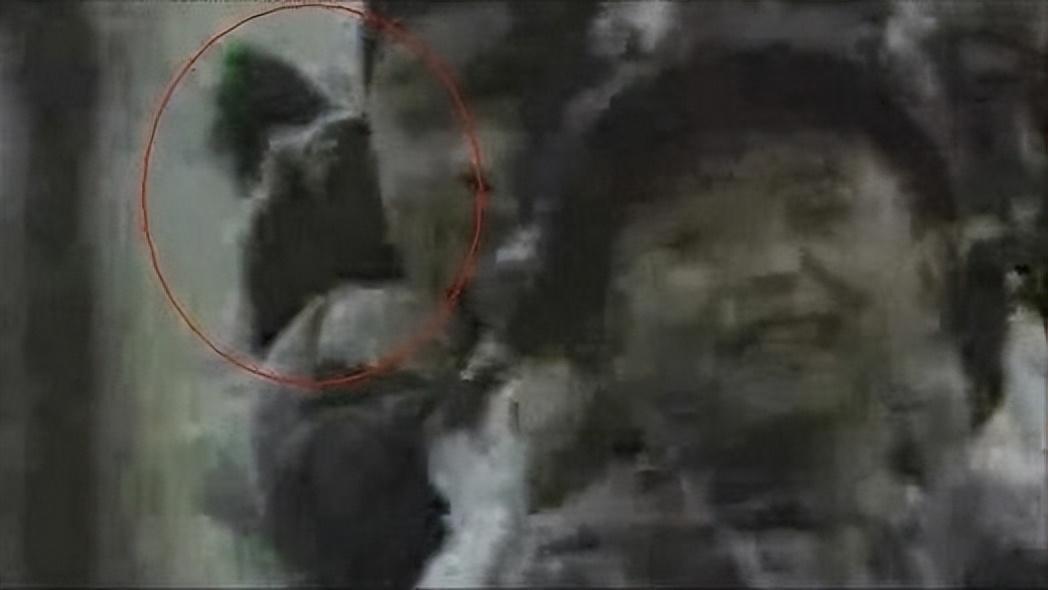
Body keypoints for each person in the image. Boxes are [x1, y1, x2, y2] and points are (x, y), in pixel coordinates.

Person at [495, 46, 1016, 586]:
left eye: (820, 211)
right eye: (691, 239)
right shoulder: (586, 574)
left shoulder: (1004, 551)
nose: (772, 267)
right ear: (602, 332)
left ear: (933, 267)